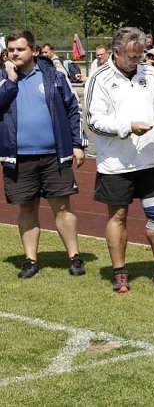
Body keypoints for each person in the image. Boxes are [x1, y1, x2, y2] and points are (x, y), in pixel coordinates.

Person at [84, 27, 154, 293]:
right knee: (118, 215)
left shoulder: (150, 73)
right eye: (131, 56)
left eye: (140, 55)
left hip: (149, 159)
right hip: (116, 163)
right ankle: (119, 272)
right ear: (116, 52)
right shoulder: (100, 77)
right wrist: (127, 126)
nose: (136, 60)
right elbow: (94, 121)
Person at [0, 29, 87, 279]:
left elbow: (73, 108)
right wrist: (10, 80)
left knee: (62, 208)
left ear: (34, 51)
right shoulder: (3, 77)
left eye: (20, 49)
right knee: (27, 208)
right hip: (17, 158)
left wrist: (78, 144)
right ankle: (30, 260)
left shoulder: (54, 75)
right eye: (11, 49)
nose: (15, 53)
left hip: (54, 156)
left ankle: (74, 256)